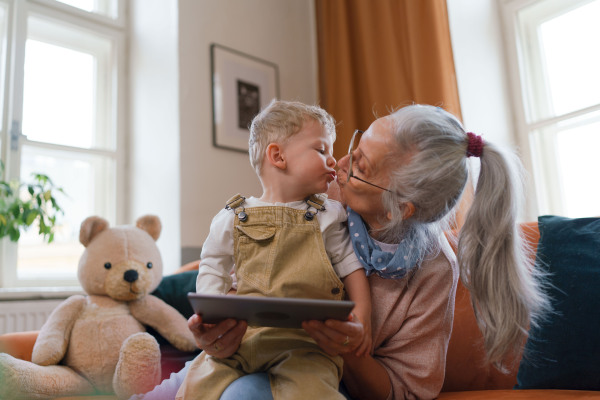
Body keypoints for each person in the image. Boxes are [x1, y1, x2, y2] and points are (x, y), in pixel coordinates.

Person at [132, 104, 549, 400]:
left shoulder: (434, 270)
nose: (340, 163)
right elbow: (237, 269)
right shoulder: (321, 193)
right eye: (355, 143)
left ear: (400, 208)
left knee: (246, 394)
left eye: (362, 166)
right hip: (253, 350)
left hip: (315, 378)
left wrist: (347, 349)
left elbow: (403, 390)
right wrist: (216, 333)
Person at [175, 99, 372, 400]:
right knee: (195, 386)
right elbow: (212, 264)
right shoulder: (232, 215)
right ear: (278, 156)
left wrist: (361, 318)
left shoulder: (329, 214)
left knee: (314, 391)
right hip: (240, 340)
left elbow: (351, 267)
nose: (333, 160)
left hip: (305, 346)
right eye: (322, 150)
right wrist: (213, 314)